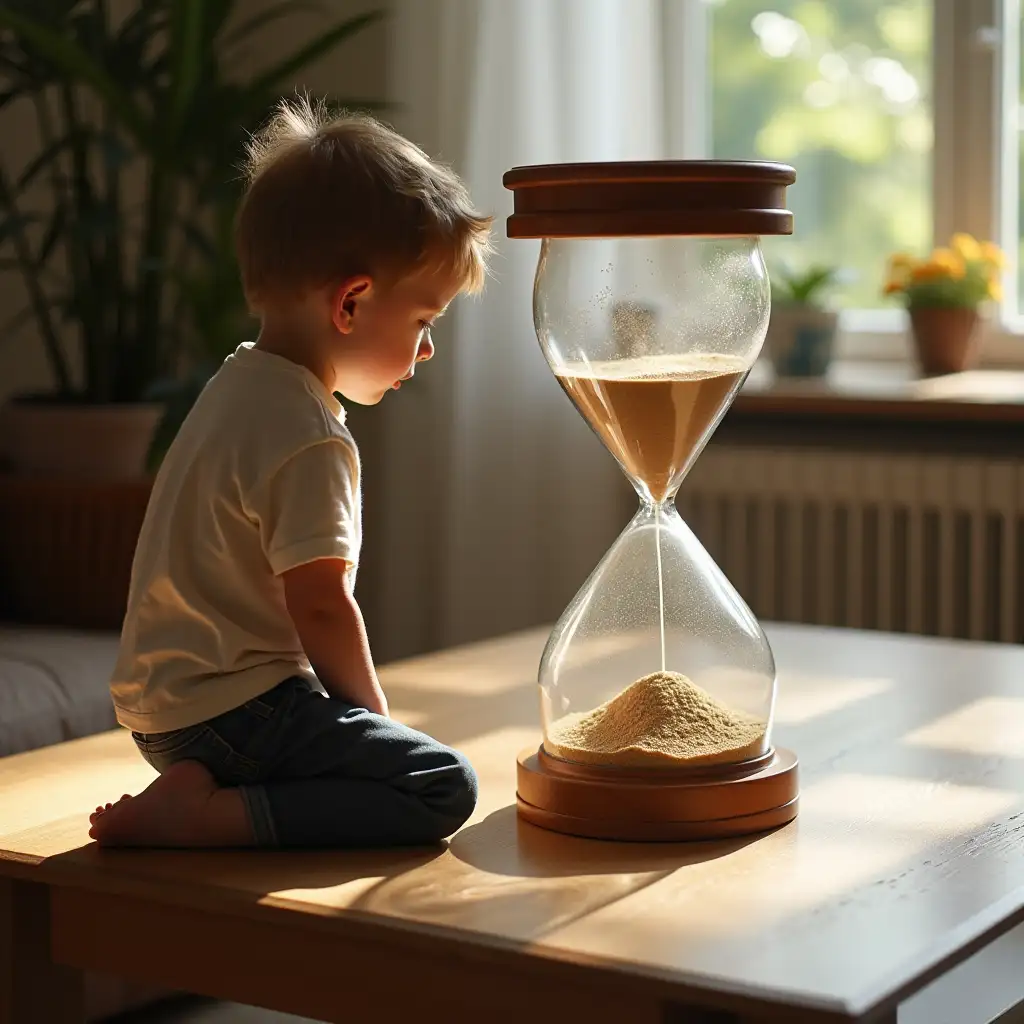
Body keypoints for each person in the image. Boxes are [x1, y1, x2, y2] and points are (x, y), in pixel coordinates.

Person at [89, 98, 491, 848]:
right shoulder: (309, 435)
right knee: (440, 783)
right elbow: (322, 607)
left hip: (166, 716)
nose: (428, 348)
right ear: (351, 303)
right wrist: (378, 730)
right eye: (424, 321)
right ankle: (205, 817)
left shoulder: (234, 387)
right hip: (236, 715)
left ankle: (196, 788)